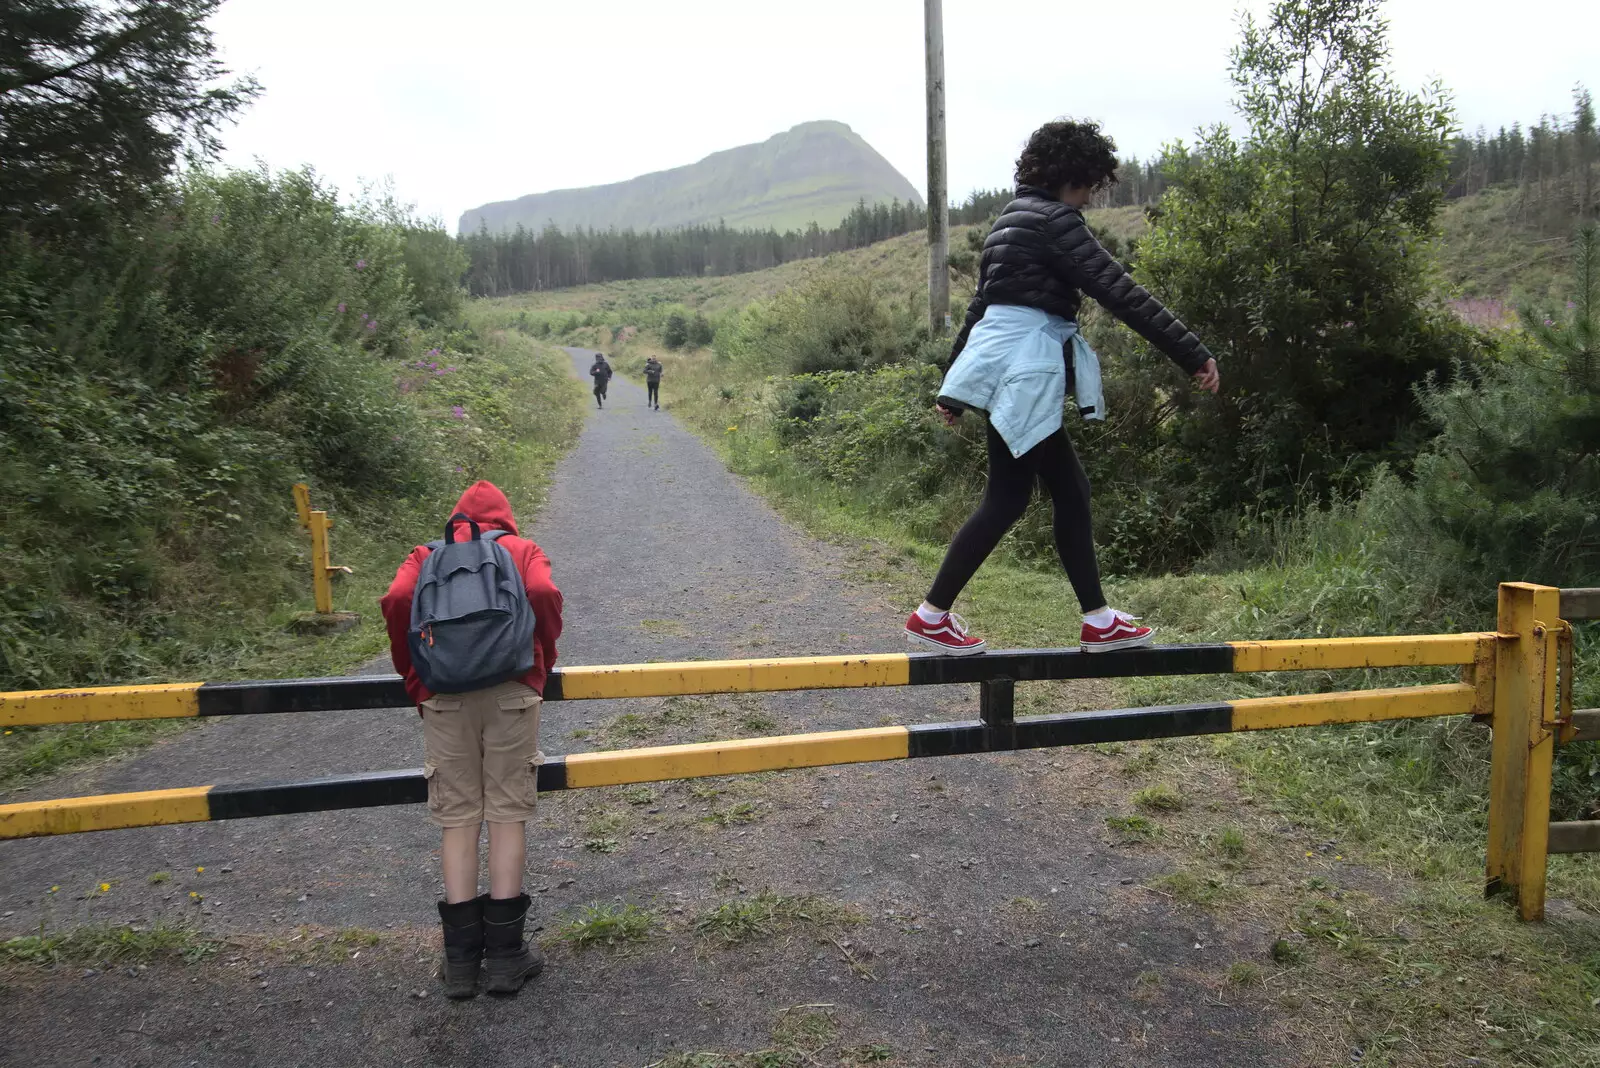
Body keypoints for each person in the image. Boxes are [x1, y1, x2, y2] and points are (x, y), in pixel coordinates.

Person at [904, 119, 1220, 657]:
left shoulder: (1008, 221)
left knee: (1043, 491)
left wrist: (954, 384)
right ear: (1075, 175)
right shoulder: (1056, 221)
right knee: (1021, 497)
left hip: (1001, 364)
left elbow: (982, 311)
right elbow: (1119, 291)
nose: (1090, 198)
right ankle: (937, 614)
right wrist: (1191, 352)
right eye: (1090, 185)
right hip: (1026, 370)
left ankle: (1091, 618)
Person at [380, 480, 564, 999]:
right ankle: (506, 960)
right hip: (510, 690)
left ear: (457, 518)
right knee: (507, 813)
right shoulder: (520, 550)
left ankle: (461, 965)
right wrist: (538, 663)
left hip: (445, 696)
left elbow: (396, 599)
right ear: (505, 519)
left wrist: (415, 675)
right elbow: (545, 595)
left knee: (458, 818)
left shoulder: (427, 555)